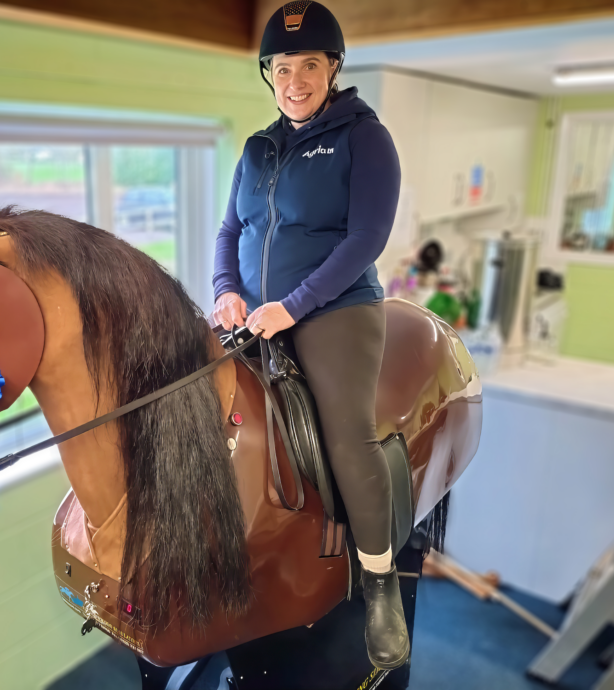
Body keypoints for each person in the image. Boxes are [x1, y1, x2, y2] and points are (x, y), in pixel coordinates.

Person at [211, 1, 407, 671]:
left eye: (310, 66)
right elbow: (230, 231)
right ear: (270, 74)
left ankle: (381, 584)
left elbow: (366, 239)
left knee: (349, 436)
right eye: (283, 67)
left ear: (334, 70)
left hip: (336, 310)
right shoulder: (257, 147)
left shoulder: (364, 136)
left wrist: (295, 306)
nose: (296, 81)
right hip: (257, 313)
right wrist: (223, 290)